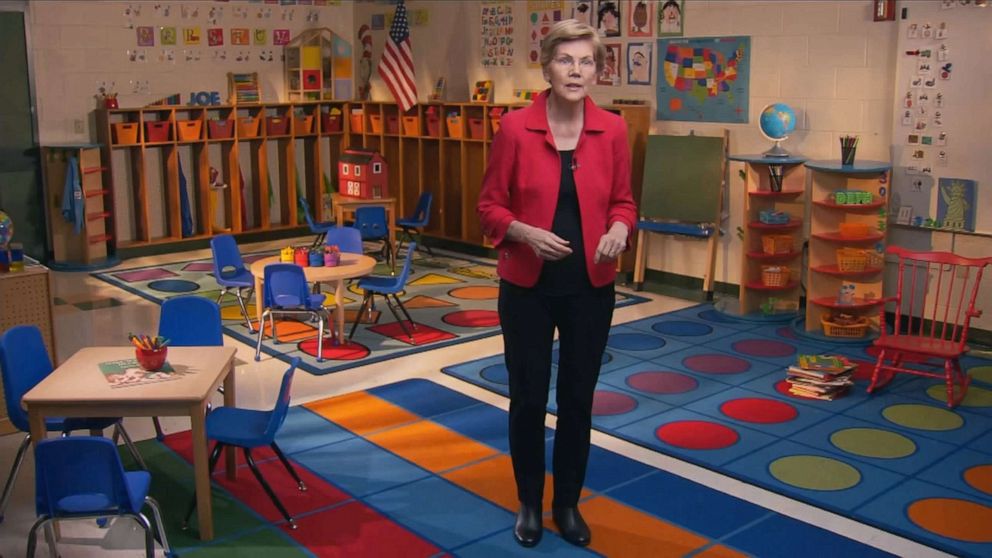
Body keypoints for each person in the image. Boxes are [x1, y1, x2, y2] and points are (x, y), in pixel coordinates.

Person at [476, 19, 636, 549]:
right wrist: (522, 231)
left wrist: (618, 228)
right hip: (527, 287)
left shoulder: (612, 129)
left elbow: (624, 203)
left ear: (597, 69)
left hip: (591, 287)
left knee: (578, 400)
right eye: (566, 60)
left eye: (586, 61)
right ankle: (528, 502)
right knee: (527, 397)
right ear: (546, 67)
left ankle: (566, 502)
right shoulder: (514, 128)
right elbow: (489, 207)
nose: (576, 70)